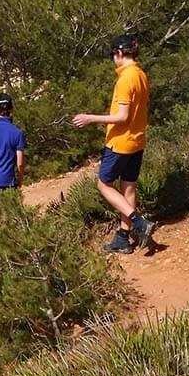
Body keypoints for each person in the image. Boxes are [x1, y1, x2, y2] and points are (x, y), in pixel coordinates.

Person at [72, 35, 155, 253]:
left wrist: (91, 118)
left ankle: (138, 222)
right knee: (128, 187)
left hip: (120, 142)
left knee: (103, 185)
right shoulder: (141, 75)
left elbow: (122, 117)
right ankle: (122, 238)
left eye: (113, 56)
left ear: (119, 53)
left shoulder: (126, 79)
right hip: (137, 140)